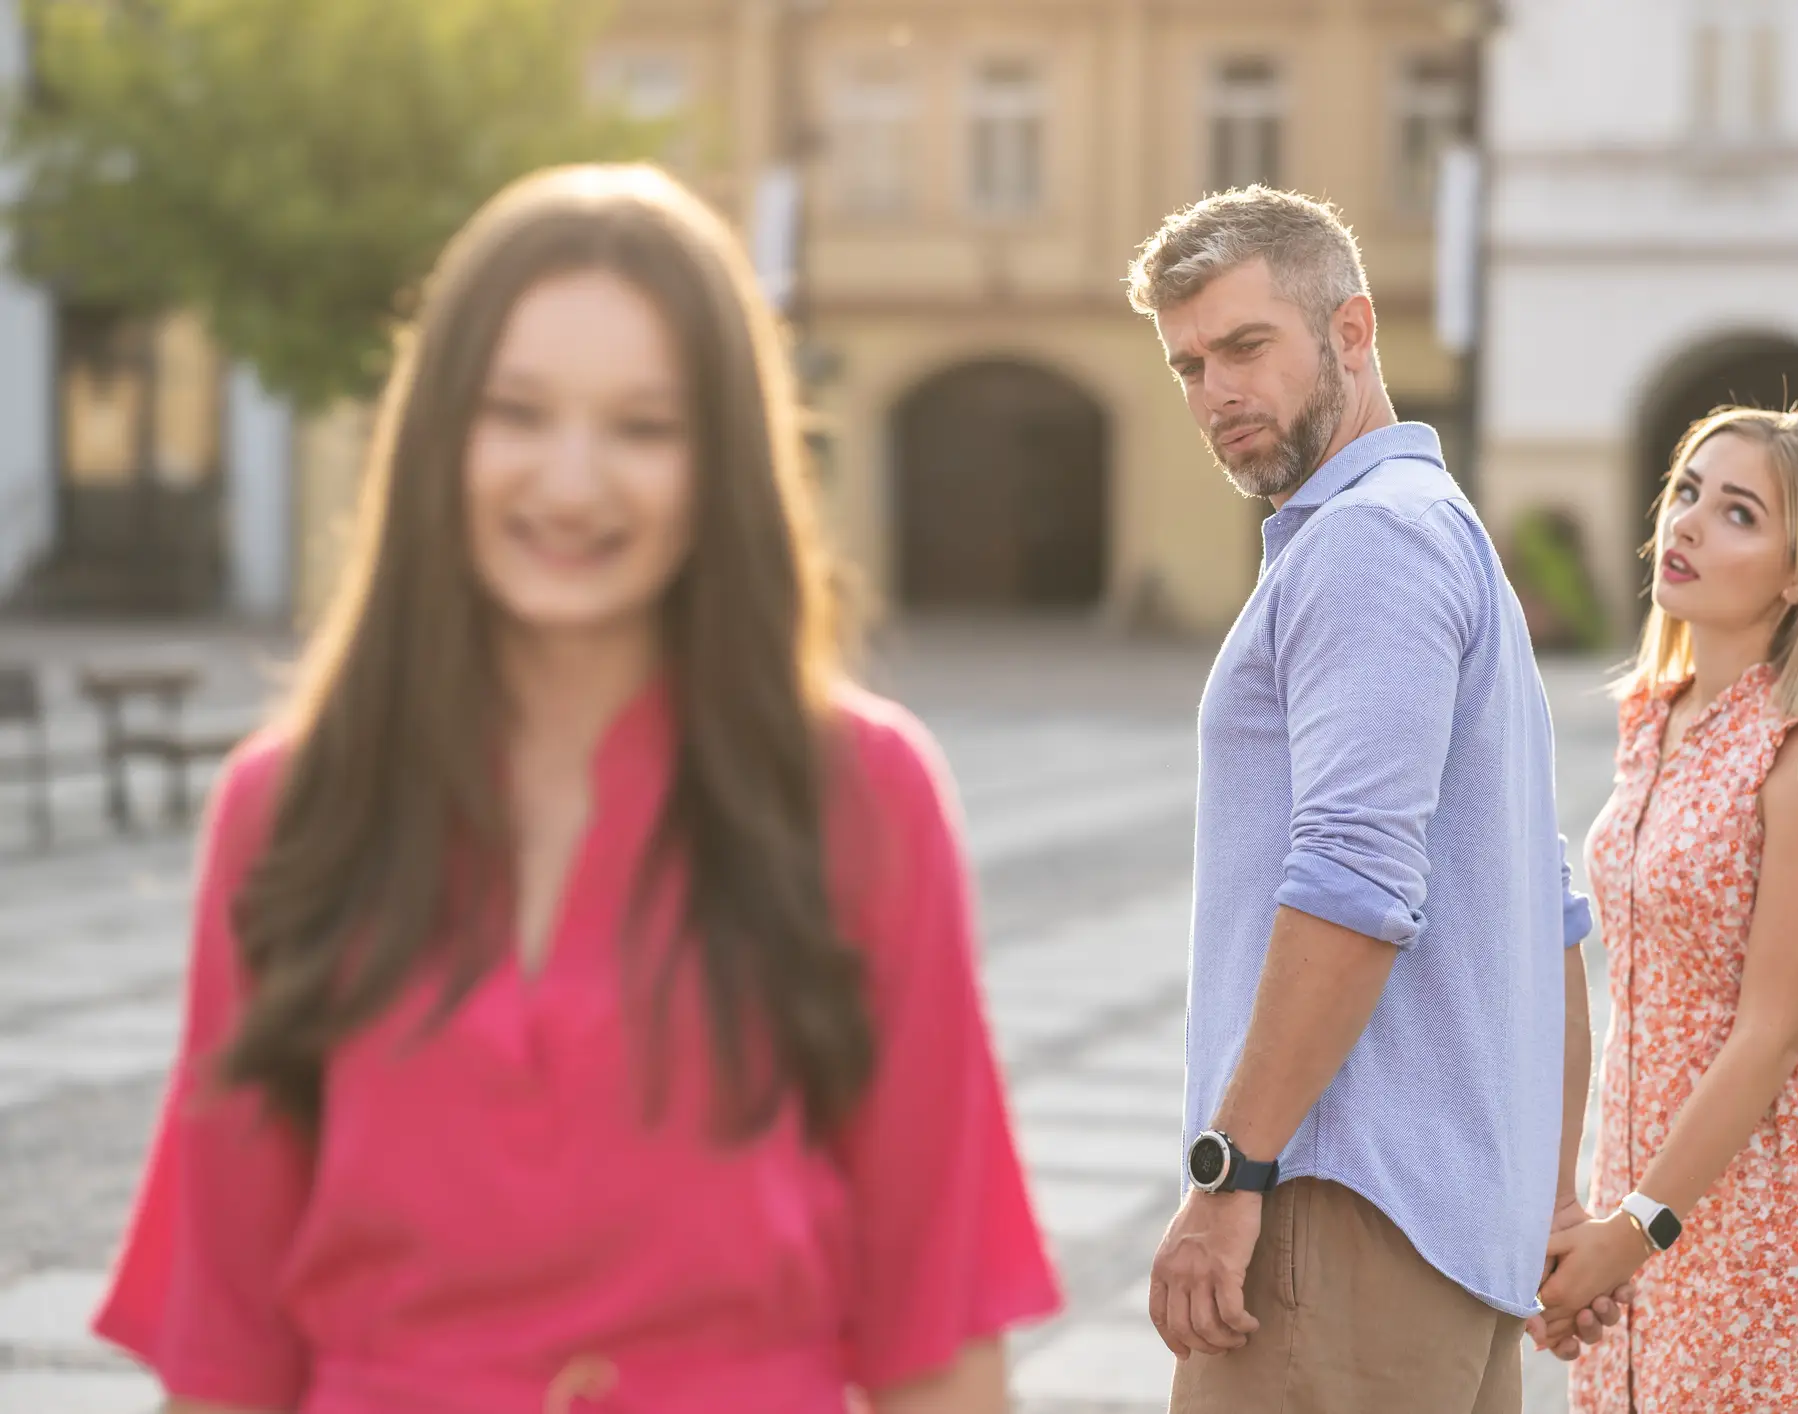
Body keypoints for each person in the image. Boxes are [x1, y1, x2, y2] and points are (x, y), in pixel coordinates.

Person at [92, 164, 1059, 1414]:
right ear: (440, 433)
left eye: (643, 428)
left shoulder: (862, 796)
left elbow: (935, 1330)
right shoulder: (288, 809)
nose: (570, 481)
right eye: (518, 412)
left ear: (722, 461)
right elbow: (224, 1346)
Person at [1126, 184, 1621, 1413]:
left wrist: (1226, 1175)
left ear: (1351, 333)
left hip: (1336, 1220)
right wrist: (1544, 1197)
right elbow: (1547, 915)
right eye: (1187, 365)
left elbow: (1351, 887)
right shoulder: (1441, 533)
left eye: (1245, 347)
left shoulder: (1369, 543)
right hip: (1443, 1239)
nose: (1215, 394)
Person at [1534, 406, 1798, 1411]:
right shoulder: (1655, 717)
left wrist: (1632, 1230)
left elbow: (1767, 1033)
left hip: (1785, 1212)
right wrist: (1592, 1207)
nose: (1689, 523)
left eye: (1737, 512)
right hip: (1650, 1185)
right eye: (1685, 492)